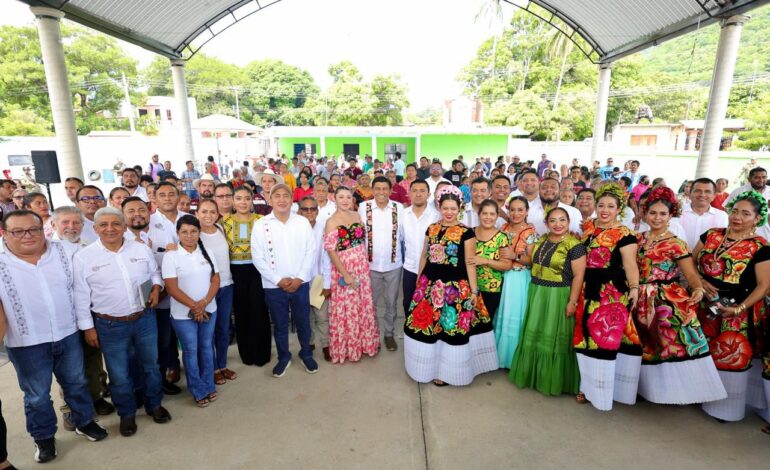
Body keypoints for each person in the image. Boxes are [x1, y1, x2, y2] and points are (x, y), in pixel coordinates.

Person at [1, 210, 108, 463]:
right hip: (26, 342)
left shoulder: (66, 251)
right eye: (18, 231)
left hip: (67, 333)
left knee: (76, 382)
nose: (28, 235)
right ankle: (44, 437)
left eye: (34, 229)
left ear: (44, 228)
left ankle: (84, 421)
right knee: (37, 395)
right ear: (5, 233)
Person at [74, 207, 171, 437]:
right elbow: (80, 295)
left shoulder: (139, 249)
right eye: (104, 225)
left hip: (144, 318)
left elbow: (155, 273)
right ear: (95, 229)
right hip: (110, 325)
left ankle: (154, 404)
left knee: (151, 366)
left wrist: (157, 288)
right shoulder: (83, 257)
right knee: (119, 374)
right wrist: (88, 328)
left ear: (124, 227)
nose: (110, 229)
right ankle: (126, 414)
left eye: (116, 224)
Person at [634, 187, 726, 404]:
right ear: (645, 213)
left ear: (670, 216)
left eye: (662, 214)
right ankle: (646, 391)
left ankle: (675, 394)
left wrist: (696, 289)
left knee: (671, 345)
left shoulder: (676, 242)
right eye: (653, 213)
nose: (657, 218)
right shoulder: (636, 239)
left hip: (667, 298)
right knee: (645, 344)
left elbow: (691, 273)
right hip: (640, 297)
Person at [404, 185, 497, 386]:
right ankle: (428, 368)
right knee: (431, 327)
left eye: (453, 208)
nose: (449, 212)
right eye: (445, 208)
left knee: (449, 329)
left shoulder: (466, 232)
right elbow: (424, 256)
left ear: (459, 209)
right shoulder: (432, 228)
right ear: (439, 207)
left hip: (455, 288)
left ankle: (446, 372)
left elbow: (470, 262)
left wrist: (473, 290)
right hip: (430, 285)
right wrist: (420, 284)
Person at [694, 190, 770, 422]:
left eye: (745, 213)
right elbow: (691, 263)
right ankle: (696, 394)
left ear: (757, 219)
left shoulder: (761, 247)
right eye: (735, 211)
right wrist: (701, 281)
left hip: (737, 309)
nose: (737, 217)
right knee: (701, 349)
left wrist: (739, 309)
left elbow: (764, 286)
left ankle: (723, 409)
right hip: (705, 304)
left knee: (729, 354)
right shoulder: (711, 235)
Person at [573, 183, 641, 410]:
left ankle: (603, 393)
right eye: (601, 204)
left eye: (610, 206)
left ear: (619, 208)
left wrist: (634, 288)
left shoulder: (625, 234)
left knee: (605, 340)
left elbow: (631, 265)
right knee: (585, 339)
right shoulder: (589, 227)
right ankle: (586, 386)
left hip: (611, 293)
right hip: (587, 289)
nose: (604, 209)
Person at [510, 207, 586, 395]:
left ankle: (554, 380)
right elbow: (532, 261)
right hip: (537, 291)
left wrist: (572, 302)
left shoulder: (575, 246)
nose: (557, 224)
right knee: (535, 333)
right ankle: (533, 376)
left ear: (569, 222)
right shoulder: (542, 239)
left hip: (558, 294)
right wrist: (516, 256)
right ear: (546, 223)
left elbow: (579, 276)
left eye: (562, 220)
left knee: (555, 335)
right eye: (553, 220)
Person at [252, 185, 319, 377]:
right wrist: (277, 280)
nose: (282, 200)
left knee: (304, 323)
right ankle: (284, 357)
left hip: (301, 283)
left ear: (292, 200)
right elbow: (257, 257)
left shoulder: (302, 222)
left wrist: (299, 278)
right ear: (270, 200)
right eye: (277, 196)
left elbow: (310, 251)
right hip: (274, 286)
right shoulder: (261, 225)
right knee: (280, 325)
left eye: (286, 196)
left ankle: (306, 353)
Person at [162, 215, 220, 407]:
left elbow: (215, 280)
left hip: (209, 309)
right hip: (182, 314)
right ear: (177, 233)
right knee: (190, 350)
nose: (189, 236)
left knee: (206, 347)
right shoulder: (171, 256)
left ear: (199, 232)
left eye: (193, 231)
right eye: (184, 232)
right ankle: (197, 389)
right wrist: (195, 306)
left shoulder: (207, 252)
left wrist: (204, 302)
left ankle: (209, 384)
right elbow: (171, 288)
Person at [323, 186, 380, 363]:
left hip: (361, 267)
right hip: (344, 268)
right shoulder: (331, 221)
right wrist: (345, 274)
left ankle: (365, 344)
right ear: (335, 199)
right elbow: (331, 251)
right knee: (347, 309)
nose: (345, 200)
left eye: (348, 197)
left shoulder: (357, 216)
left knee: (362, 306)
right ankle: (349, 348)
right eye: (341, 197)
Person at [221, 187, 272, 366]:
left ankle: (263, 353)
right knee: (242, 313)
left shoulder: (262, 221)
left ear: (252, 201)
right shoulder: (224, 222)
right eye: (239, 198)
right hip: (235, 272)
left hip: (258, 271)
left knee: (260, 311)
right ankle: (247, 353)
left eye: (247, 199)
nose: (243, 202)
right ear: (233, 201)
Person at [358, 176, 403, 352]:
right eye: (378, 188)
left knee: (391, 302)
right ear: (372, 189)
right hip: (370, 265)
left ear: (390, 191)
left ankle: (389, 334)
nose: (381, 192)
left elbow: (404, 235)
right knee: (371, 303)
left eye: (385, 189)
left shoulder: (399, 208)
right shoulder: (364, 207)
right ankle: (372, 335)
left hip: (393, 265)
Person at [150, 182, 186, 393]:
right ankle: (167, 371)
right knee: (164, 338)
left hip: (188, 286)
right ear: (155, 199)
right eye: (162, 195)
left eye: (171, 194)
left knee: (187, 333)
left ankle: (188, 368)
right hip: (162, 287)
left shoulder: (187, 217)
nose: (167, 198)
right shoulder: (149, 221)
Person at [495, 196, 537, 369]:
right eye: (512, 209)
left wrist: (515, 256)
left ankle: (513, 359)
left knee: (514, 315)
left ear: (526, 211)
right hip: (501, 275)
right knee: (500, 313)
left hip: (518, 278)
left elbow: (532, 259)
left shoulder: (530, 232)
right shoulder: (503, 227)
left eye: (520, 210)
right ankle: (498, 357)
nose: (516, 213)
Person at [469, 200, 512, 322]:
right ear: (479, 214)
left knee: (485, 326)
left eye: (492, 214)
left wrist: (485, 260)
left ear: (497, 215)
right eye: (485, 213)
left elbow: (507, 265)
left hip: (491, 289)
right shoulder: (469, 233)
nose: (488, 217)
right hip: (469, 287)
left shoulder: (501, 237)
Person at [679, 178, 728, 250]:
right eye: (698, 191)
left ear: (714, 196)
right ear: (690, 194)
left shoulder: (722, 216)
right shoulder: (677, 213)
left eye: (707, 191)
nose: (702, 194)